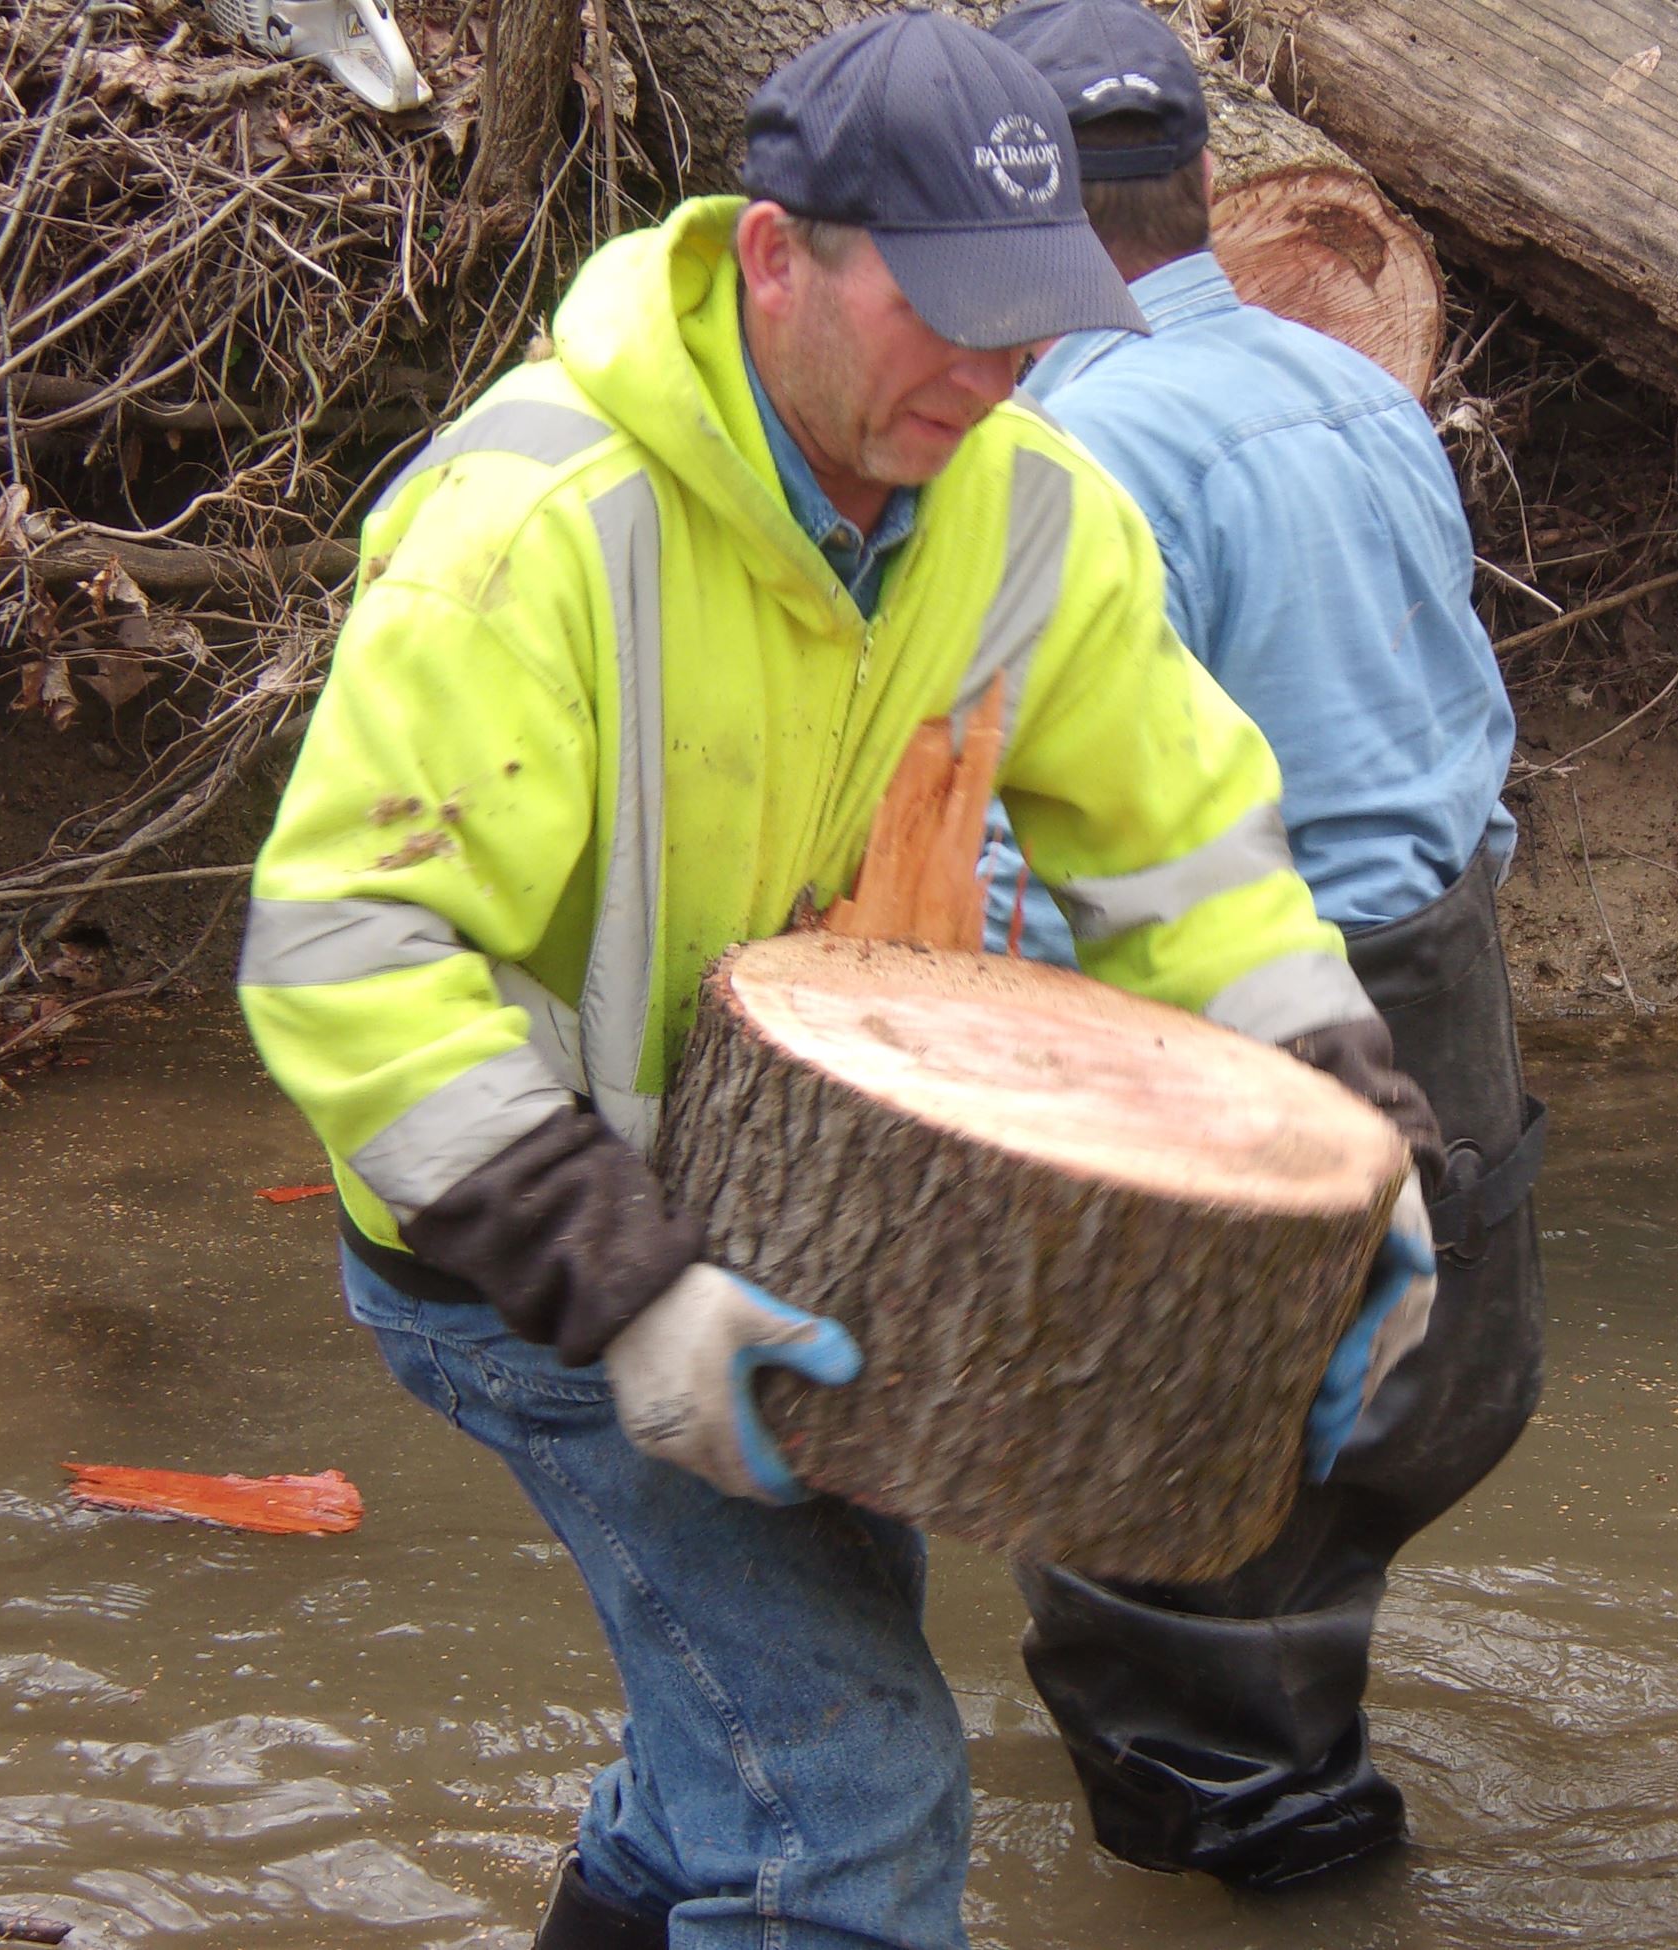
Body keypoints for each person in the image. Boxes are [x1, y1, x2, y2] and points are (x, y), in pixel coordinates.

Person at [234, 15, 1442, 1948]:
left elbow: (1192, 863)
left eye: (1028, 318)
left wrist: (1355, 1147)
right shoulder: (538, 528)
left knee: (741, 1762)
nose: (994, 372)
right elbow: (343, 954)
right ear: (775, 251)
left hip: (817, 1218)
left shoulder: (1027, 508)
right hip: (518, 1247)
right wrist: (631, 1297)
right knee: (849, 1808)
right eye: (945, 313)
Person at [979, 0, 1549, 1893]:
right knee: (1355, 1449)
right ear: (1208, 186)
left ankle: (1287, 1875)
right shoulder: (1362, 394)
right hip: (1440, 981)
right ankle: (1304, 1800)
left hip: (1240, 1015)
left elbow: (1038, 839)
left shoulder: (1068, 456)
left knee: (1152, 1512)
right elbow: (1470, 725)